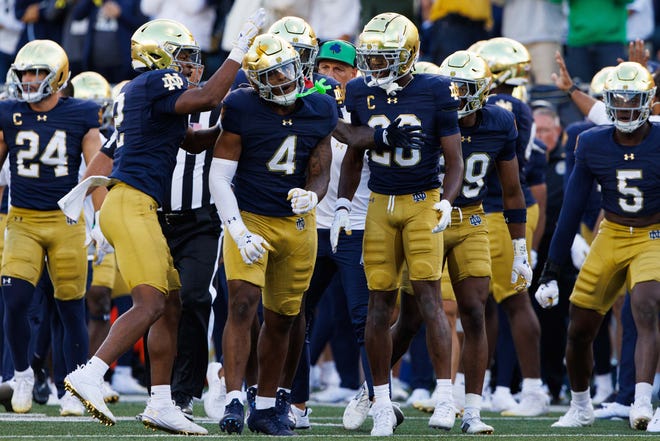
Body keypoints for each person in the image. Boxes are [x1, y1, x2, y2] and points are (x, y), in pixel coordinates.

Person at [61, 11, 266, 435]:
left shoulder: (145, 91)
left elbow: (191, 140)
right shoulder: (156, 81)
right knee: (151, 303)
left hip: (134, 205)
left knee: (171, 304)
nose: (190, 64)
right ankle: (90, 373)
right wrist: (239, 52)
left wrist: (238, 127)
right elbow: (208, 98)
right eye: (183, 56)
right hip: (133, 203)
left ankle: (161, 402)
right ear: (159, 56)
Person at [332, 12, 464, 436]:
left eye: (384, 57)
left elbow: (455, 158)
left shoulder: (435, 89)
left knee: (429, 299)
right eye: (370, 57)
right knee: (378, 304)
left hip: (423, 200)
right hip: (378, 204)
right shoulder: (357, 90)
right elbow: (353, 153)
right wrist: (341, 205)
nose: (374, 66)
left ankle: (444, 396)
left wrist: (446, 200)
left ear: (408, 56)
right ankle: (382, 402)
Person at [209, 33, 336, 436]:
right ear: (256, 81)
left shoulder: (319, 107)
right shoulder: (241, 106)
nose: (283, 80)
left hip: (296, 226)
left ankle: (266, 406)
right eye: (272, 75)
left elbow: (320, 170)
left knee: (284, 318)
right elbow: (219, 176)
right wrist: (238, 231)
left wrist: (312, 196)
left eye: (286, 70)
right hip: (250, 217)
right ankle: (233, 398)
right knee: (242, 305)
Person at [536, 61, 659, 431]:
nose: (624, 108)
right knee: (580, 327)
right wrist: (552, 270)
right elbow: (572, 208)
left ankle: (640, 402)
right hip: (612, 233)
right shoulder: (591, 142)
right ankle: (581, 405)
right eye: (617, 100)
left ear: (648, 102)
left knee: (646, 305)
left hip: (654, 233)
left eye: (632, 100)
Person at [0, 39, 102, 414]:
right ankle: (23, 373)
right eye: (25, 72)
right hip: (23, 220)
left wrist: (102, 222)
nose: (28, 80)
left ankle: (73, 388)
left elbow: (95, 171)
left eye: (37, 73)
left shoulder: (82, 113)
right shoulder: (8, 112)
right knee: (14, 299)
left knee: (70, 307)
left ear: (58, 76)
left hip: (66, 220)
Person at [433, 49, 531, 434]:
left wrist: (521, 251)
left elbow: (512, 190)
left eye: (465, 88)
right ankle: (373, 390)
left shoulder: (500, 121)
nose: (457, 96)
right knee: (411, 314)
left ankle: (469, 409)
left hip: (473, 217)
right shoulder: (431, 116)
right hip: (428, 216)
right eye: (452, 88)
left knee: (474, 310)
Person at [474, 36, 549, 417]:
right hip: (494, 208)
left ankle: (534, 390)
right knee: (481, 299)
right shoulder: (516, 104)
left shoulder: (504, 106)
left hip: (504, 210)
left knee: (514, 299)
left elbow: (507, 169)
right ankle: (482, 385)